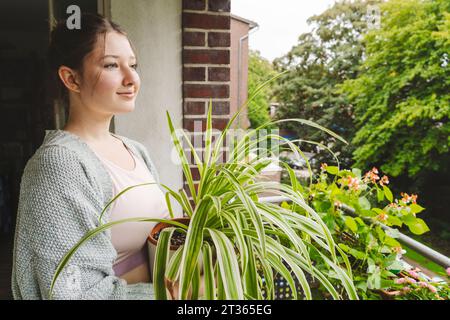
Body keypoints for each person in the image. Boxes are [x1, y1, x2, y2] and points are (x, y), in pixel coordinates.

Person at [11, 13, 169, 300]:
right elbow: (72, 291)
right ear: (71, 78)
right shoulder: (59, 165)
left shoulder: (136, 150)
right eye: (111, 65)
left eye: (133, 65)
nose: (132, 78)